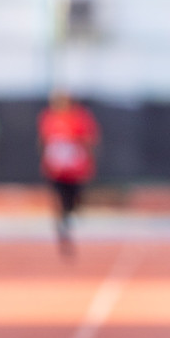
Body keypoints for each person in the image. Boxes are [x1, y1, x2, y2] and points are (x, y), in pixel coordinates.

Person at [38, 90, 99, 258]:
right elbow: (44, 140)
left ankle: (68, 218)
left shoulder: (79, 118)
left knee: (74, 200)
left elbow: (88, 140)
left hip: (75, 169)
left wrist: (87, 160)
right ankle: (62, 228)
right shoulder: (49, 118)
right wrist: (46, 160)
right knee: (59, 200)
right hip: (56, 169)